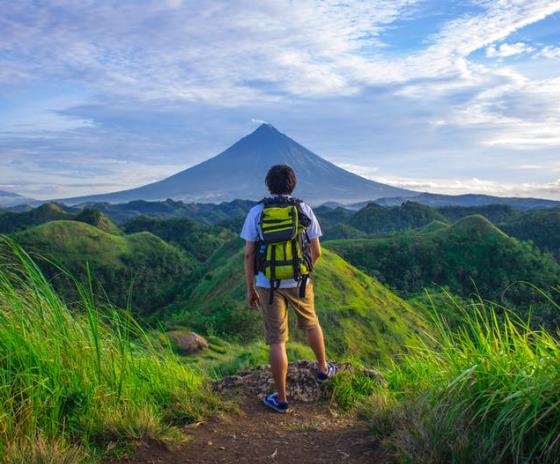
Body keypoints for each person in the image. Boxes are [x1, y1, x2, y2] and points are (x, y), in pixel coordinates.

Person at [240, 164, 337, 414]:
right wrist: (303, 271)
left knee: (276, 340)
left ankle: (281, 399)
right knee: (311, 323)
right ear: (292, 184)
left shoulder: (257, 211)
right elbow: (317, 251)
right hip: (300, 280)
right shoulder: (303, 208)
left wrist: (251, 288)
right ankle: (323, 369)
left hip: (267, 282)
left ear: (268, 184)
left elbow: (249, 254)